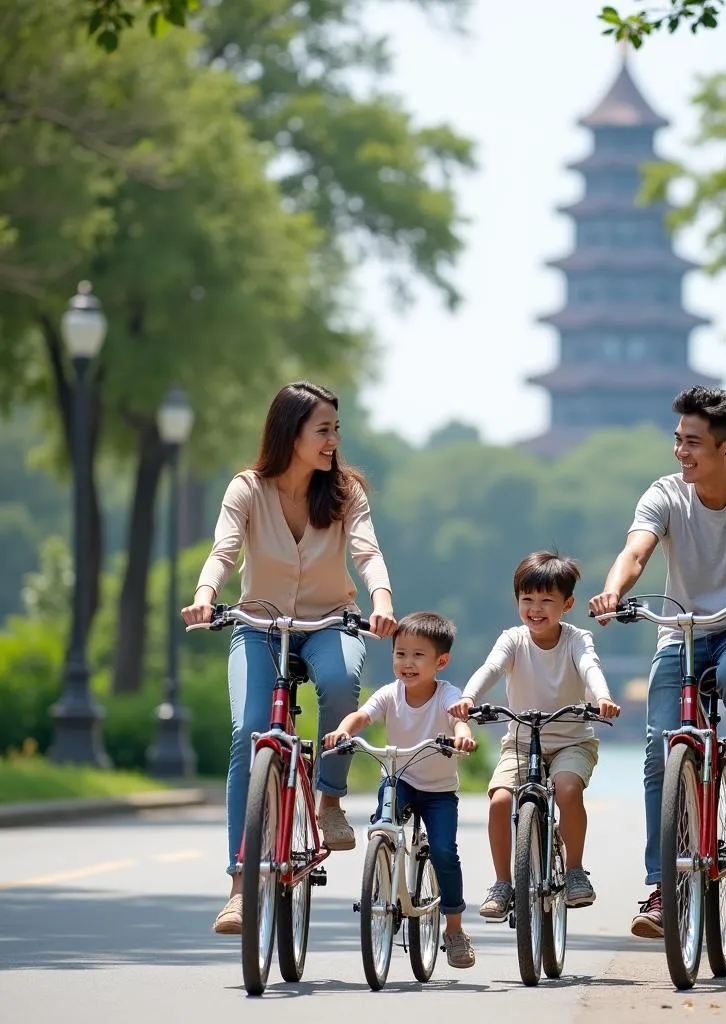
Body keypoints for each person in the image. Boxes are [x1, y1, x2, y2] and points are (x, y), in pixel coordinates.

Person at [181, 381, 398, 935]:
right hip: (257, 623)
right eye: (322, 429)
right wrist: (207, 595)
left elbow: (366, 551)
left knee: (341, 680)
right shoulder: (247, 489)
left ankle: (328, 799)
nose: (333, 440)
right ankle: (237, 887)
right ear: (291, 432)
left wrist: (381, 601)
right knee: (250, 731)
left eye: (335, 429)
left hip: (329, 621)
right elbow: (225, 550)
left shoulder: (345, 492)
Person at [588, 386, 726, 939]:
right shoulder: (665, 494)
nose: (681, 452)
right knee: (661, 751)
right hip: (681, 632)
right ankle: (662, 887)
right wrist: (612, 592)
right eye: (677, 440)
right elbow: (636, 550)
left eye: (693, 443)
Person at [450, 551, 621, 920]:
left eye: (547, 600)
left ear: (568, 604)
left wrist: (602, 697)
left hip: (571, 740)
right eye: (527, 600)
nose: (536, 608)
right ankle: (501, 883)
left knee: (568, 789)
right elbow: (491, 667)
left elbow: (589, 668)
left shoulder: (577, 640)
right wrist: (468, 697)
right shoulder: (513, 640)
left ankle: (574, 870)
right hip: (521, 740)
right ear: (517, 603)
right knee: (498, 801)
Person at [323, 611, 478, 969]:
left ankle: (454, 929)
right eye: (400, 654)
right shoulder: (390, 694)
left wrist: (463, 737)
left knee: (443, 852)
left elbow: (459, 721)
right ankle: (383, 876)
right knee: (383, 825)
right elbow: (361, 715)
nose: (407, 663)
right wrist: (345, 730)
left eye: (417, 655)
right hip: (399, 779)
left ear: (441, 661)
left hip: (439, 792)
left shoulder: (447, 695)